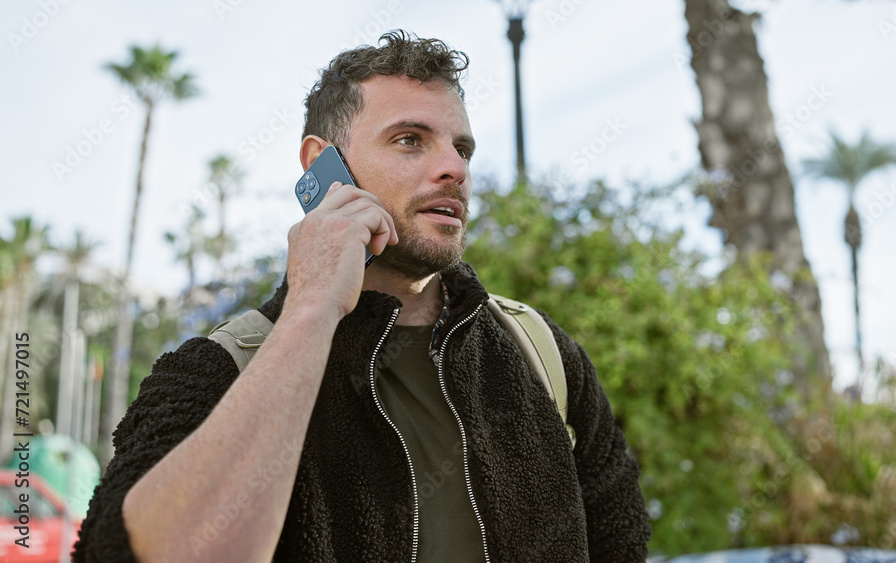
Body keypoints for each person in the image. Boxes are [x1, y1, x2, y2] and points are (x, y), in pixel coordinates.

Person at [73, 30, 650, 562]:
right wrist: (312, 306)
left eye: (463, 149)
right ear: (321, 165)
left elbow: (621, 543)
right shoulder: (218, 368)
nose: (454, 168)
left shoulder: (540, 351)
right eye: (409, 140)